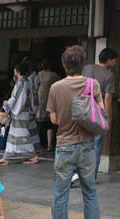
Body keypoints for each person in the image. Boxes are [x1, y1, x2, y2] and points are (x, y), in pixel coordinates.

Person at [47, 45, 100, 219]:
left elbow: (54, 120)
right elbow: (101, 112)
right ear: (83, 64)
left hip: (64, 146)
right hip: (87, 145)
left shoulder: (55, 87)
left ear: (63, 65)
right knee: (90, 192)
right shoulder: (93, 84)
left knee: (60, 193)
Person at [82, 48, 117, 182]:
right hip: (96, 110)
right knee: (96, 144)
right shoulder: (109, 76)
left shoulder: (87, 68)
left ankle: (74, 172)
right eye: (114, 59)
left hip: (82, 107)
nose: (115, 62)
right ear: (109, 60)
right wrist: (107, 117)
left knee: (80, 140)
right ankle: (91, 176)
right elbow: (107, 98)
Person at [0, 62, 38, 165]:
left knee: (21, 134)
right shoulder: (28, 80)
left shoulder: (22, 82)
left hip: (21, 112)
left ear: (17, 71)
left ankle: (32, 155)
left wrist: (9, 104)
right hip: (25, 111)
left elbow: (18, 98)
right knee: (16, 134)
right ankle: (9, 156)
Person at [36, 60, 60, 152]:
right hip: (49, 97)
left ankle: (39, 144)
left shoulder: (38, 74)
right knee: (50, 123)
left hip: (39, 98)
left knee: (39, 122)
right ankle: (50, 145)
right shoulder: (53, 75)